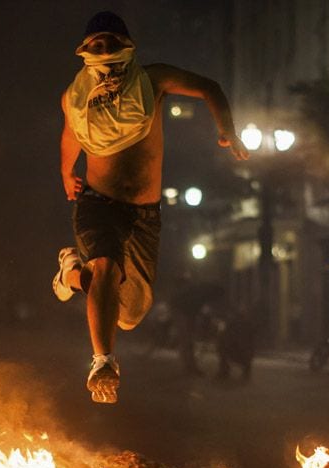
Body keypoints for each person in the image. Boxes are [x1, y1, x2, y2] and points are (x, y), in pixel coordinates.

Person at [51, 11, 249, 404]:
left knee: (130, 313)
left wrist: (226, 128)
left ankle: (71, 274)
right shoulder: (75, 96)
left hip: (143, 214)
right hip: (97, 204)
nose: (104, 48)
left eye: (110, 41)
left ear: (126, 44)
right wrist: (66, 174)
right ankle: (103, 360)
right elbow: (70, 137)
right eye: (96, 43)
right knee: (106, 265)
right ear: (86, 49)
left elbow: (209, 87)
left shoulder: (152, 80)